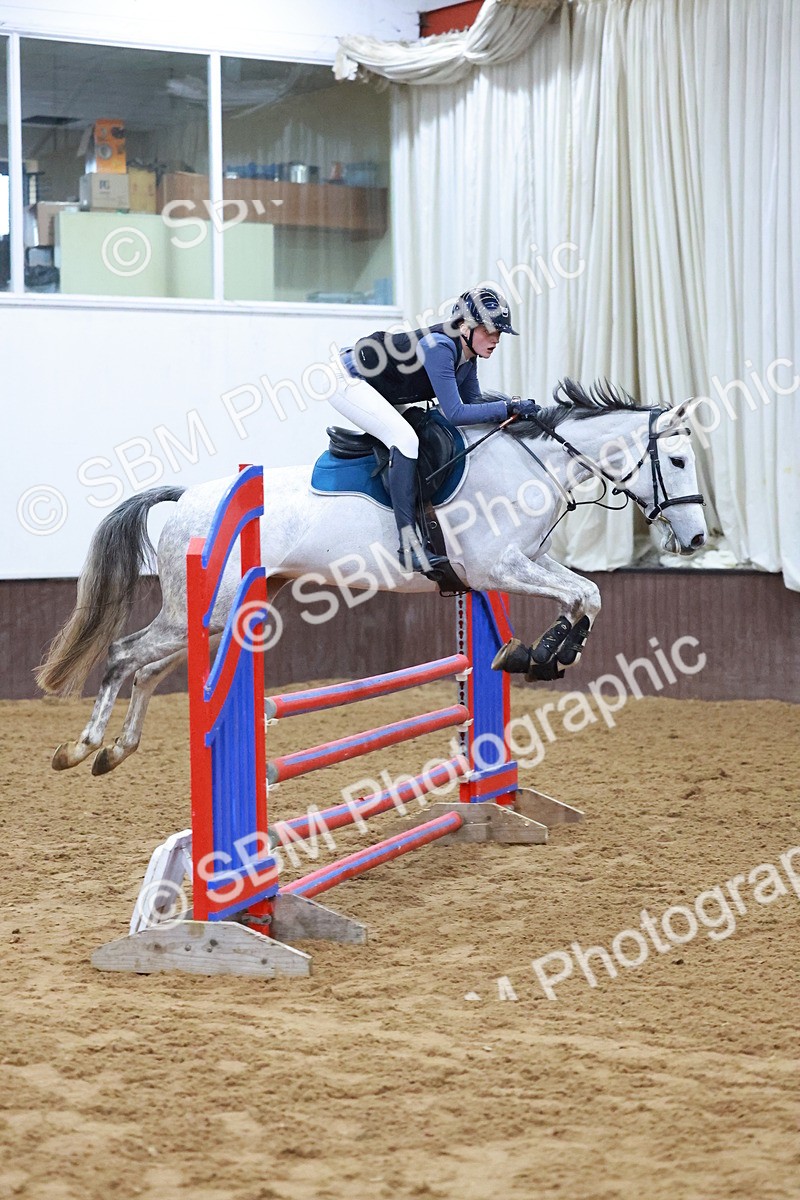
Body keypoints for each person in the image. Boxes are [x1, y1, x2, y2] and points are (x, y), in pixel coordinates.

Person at [331, 286, 539, 573]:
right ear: (465, 327)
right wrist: (509, 406)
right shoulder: (441, 347)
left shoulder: (467, 355)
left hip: (381, 386)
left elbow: (474, 403)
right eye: (489, 331)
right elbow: (455, 413)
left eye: (499, 334)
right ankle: (408, 547)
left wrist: (513, 406)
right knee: (405, 440)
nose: (495, 340)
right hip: (348, 380)